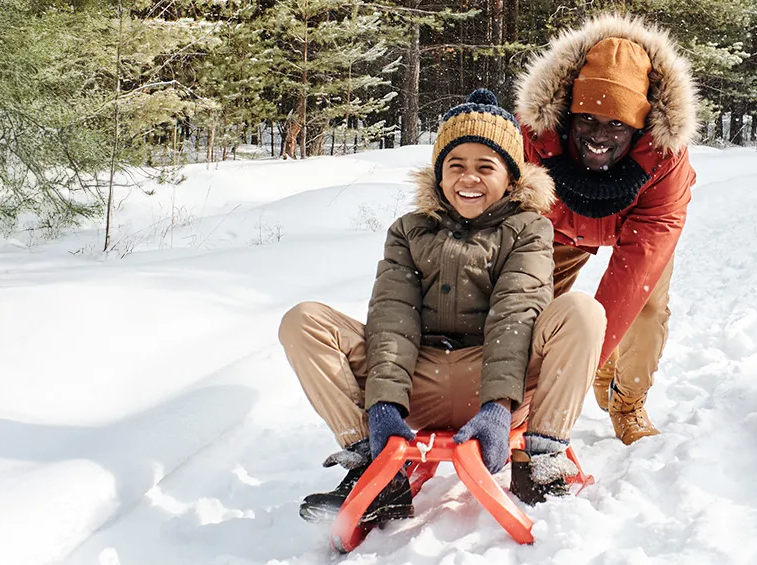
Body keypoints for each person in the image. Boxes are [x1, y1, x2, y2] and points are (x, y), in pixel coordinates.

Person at [280, 89, 607, 526]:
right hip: (421, 381)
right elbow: (393, 319)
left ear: (510, 179)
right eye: (456, 166)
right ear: (438, 176)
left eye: (484, 167)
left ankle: (543, 459)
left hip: (503, 384)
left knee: (582, 312)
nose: (468, 178)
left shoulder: (529, 229)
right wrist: (384, 407)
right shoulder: (409, 231)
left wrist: (496, 406)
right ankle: (372, 469)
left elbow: (517, 312)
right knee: (303, 321)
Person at [512, 14, 700, 445]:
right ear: (566, 116)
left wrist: (579, 369)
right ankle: (515, 397)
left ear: (639, 128)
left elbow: (631, 277)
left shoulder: (666, 158)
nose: (599, 135)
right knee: (529, 303)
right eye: (587, 120)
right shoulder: (532, 138)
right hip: (556, 224)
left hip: (635, 224)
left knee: (646, 307)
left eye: (616, 124)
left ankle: (627, 401)